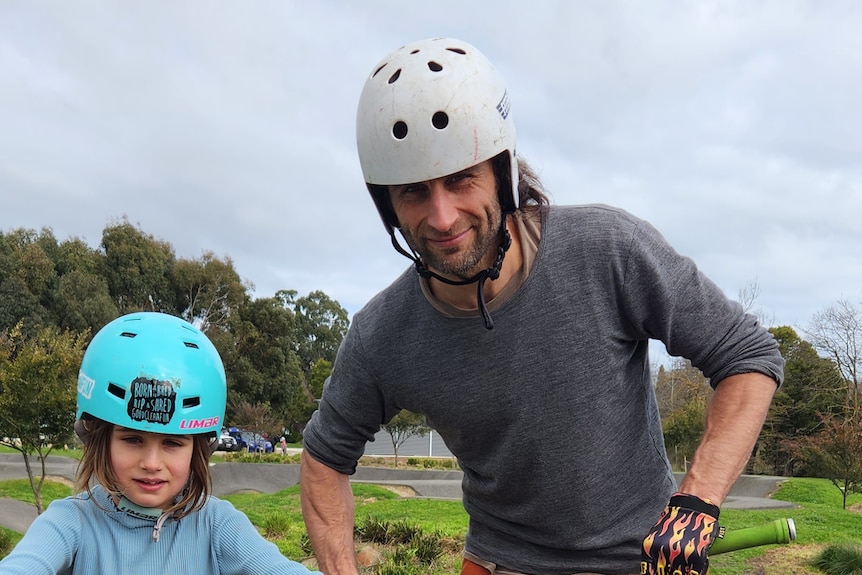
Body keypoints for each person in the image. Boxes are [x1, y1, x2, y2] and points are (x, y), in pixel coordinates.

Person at [299, 37, 784, 575]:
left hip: (643, 559)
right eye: (413, 191)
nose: (441, 217)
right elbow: (323, 459)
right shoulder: (382, 334)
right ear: (387, 204)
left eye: (460, 179)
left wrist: (696, 501)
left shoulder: (607, 249)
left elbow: (747, 356)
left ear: (502, 174)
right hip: (499, 563)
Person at [0, 312, 318, 575]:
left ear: (198, 448)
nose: (152, 462)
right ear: (100, 439)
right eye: (133, 439)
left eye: (172, 443)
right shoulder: (71, 522)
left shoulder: (219, 526)